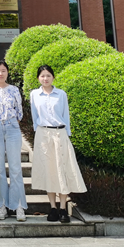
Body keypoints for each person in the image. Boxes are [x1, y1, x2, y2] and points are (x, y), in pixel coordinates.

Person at [30, 64, 87, 223]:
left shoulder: (61, 94)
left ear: (53, 77)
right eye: (42, 76)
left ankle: (63, 209)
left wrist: (66, 134)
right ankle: (53, 208)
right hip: (43, 135)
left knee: (62, 170)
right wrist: (38, 132)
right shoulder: (34, 94)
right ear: (38, 78)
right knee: (49, 171)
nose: (45, 79)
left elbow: (65, 115)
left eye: (48, 75)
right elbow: (35, 116)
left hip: (60, 133)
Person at [0, 60, 27, 222]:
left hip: (12, 128)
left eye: (3, 70)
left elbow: (19, 112)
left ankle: (18, 205)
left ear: (7, 72)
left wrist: (10, 123)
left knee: (15, 168)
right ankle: (1, 205)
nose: (0, 73)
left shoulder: (14, 90)